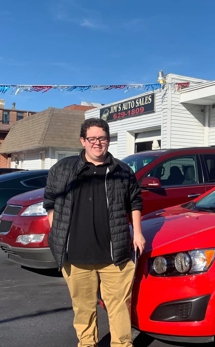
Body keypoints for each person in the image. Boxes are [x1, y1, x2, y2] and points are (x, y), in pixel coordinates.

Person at [43, 118, 145, 347]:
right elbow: (49, 201)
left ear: (108, 140)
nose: (97, 143)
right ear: (83, 141)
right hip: (76, 255)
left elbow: (135, 202)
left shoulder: (122, 171)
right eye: (92, 138)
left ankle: (122, 344)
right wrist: (56, 229)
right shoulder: (63, 169)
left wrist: (137, 233)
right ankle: (87, 343)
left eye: (102, 138)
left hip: (115, 255)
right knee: (83, 308)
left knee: (119, 306)